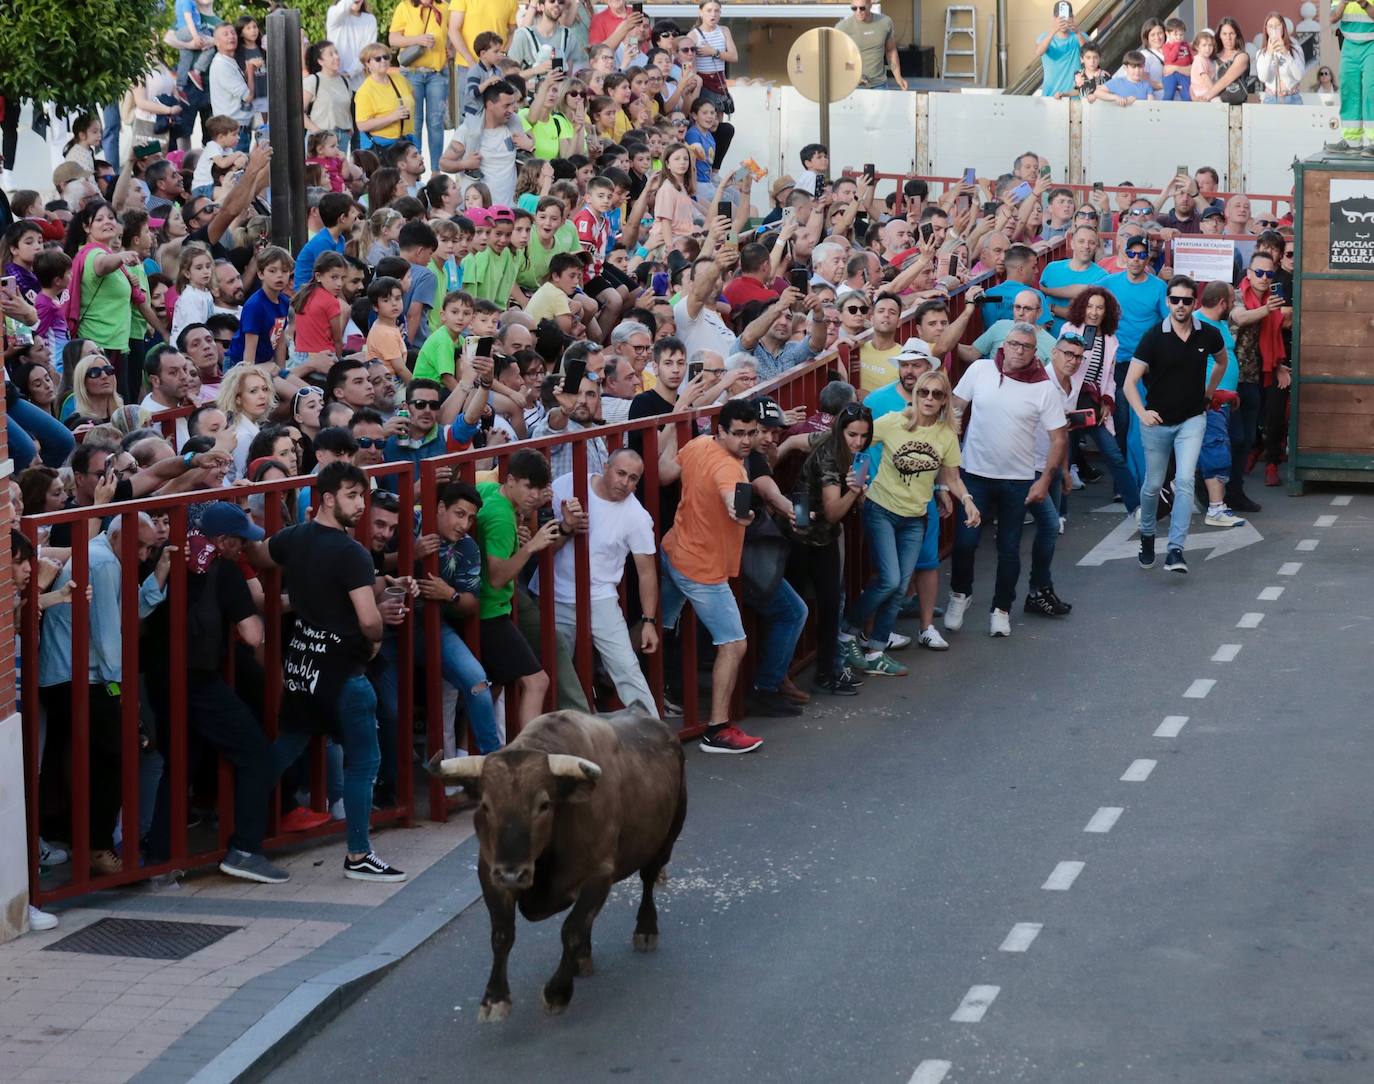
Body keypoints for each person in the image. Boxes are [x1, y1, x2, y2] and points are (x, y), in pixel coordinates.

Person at [246, 462, 410, 881]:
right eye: (353, 496)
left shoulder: (295, 538)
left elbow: (260, 553)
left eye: (363, 495)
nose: (360, 504)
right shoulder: (352, 553)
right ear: (328, 498)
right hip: (343, 674)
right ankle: (358, 855)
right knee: (365, 762)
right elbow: (371, 621)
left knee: (283, 750)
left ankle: (241, 841)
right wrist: (374, 633)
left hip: (302, 667)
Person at [144, 503, 300, 884]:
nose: (244, 549)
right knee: (257, 756)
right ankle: (245, 849)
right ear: (224, 540)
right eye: (240, 541)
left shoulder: (169, 558)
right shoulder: (225, 571)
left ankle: (159, 859)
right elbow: (251, 633)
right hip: (200, 680)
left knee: (180, 764)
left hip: (160, 679)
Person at [945, 322, 1068, 638]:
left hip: (1017, 480)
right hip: (974, 474)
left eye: (1025, 346)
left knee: (1009, 549)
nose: (1017, 350)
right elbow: (955, 408)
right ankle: (960, 594)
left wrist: (1044, 482)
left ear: (1033, 352)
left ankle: (1001, 609)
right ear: (1004, 345)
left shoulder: (1043, 387)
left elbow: (1058, 438)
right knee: (964, 543)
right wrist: (951, 452)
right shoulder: (981, 370)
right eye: (1013, 343)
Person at [657, 399, 763, 754]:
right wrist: (739, 511)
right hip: (701, 570)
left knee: (657, 625)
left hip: (673, 551)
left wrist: (672, 425)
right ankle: (717, 728)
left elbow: (665, 474)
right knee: (734, 644)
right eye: (739, 434)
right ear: (721, 431)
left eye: (751, 433)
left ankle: (615, 680)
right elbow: (731, 497)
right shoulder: (729, 468)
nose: (746, 441)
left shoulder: (699, 443)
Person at [535, 449, 659, 716]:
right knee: (550, 674)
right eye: (621, 473)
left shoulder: (636, 516)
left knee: (627, 669)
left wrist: (649, 621)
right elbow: (538, 545)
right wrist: (566, 527)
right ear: (606, 466)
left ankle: (655, 739)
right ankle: (559, 744)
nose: (625, 483)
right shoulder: (567, 484)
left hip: (599, 597)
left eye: (634, 478)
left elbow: (647, 572)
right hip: (552, 593)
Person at [1123, 275, 1229, 574]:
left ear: (1194, 303)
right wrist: (1142, 412)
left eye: (1186, 300)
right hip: (1157, 422)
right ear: (1167, 302)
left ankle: (1175, 549)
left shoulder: (1208, 334)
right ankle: (1146, 535)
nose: (1180, 305)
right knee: (1153, 485)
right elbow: (1130, 383)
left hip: (1192, 418)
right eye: (1175, 300)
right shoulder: (1154, 336)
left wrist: (1209, 393)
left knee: (1184, 481)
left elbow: (1222, 362)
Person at [474, 449, 557, 730]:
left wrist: (521, 522)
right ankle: (528, 756)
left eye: (539, 488)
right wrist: (532, 546)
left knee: (493, 685)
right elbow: (497, 577)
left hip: (483, 609)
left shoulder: (488, 490)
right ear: (510, 481)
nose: (534, 495)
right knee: (537, 681)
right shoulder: (501, 519)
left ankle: (471, 752)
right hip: (491, 614)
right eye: (528, 486)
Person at [388, 0, 451, 172]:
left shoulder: (444, 7)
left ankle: (436, 171)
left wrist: (450, 49)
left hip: (436, 73)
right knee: (414, 123)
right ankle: (415, 169)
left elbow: (450, 35)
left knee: (436, 123)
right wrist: (418, 40)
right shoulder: (405, 7)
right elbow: (393, 39)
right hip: (412, 72)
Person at [836, 0, 907, 90]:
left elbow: (891, 51)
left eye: (862, 8)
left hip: (879, 84)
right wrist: (853, 75)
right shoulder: (843, 27)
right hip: (854, 87)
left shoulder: (885, 23)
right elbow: (837, 57)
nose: (858, 12)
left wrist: (898, 78)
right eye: (854, 8)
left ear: (870, 5)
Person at [1255, 14, 1305, 104]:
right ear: (1266, 30)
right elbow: (1263, 77)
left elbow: (1299, 76)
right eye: (1270, 26)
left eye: (1277, 26)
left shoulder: (1295, 49)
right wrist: (1269, 53)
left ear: (1283, 28)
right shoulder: (1261, 53)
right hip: (1271, 99)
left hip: (1293, 99)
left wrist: (1286, 54)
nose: (1274, 29)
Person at [1037, 11, 1087, 97]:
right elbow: (1039, 52)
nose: (1063, 21)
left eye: (1067, 17)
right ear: (1054, 18)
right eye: (1060, 17)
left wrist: (1077, 32)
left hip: (1074, 95)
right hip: (1050, 95)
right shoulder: (1044, 36)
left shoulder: (1080, 36)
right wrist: (1053, 31)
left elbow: (1089, 53)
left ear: (1072, 18)